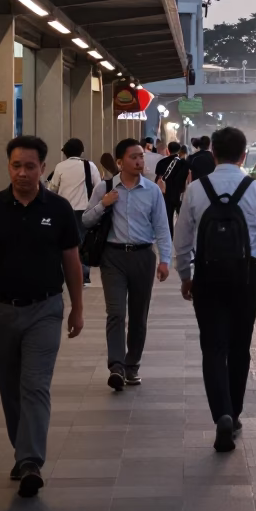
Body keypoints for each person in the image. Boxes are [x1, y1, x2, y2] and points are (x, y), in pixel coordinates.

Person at [0, 135, 83, 497]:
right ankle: (22, 451)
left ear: (43, 168)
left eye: (30, 166)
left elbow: (71, 261)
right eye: (16, 166)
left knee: (35, 386)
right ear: (8, 166)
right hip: (1, 311)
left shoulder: (57, 209)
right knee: (11, 389)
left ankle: (30, 461)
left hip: (45, 309)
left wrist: (77, 308)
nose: (22, 173)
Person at [174, 125, 256, 453]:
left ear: (213, 154)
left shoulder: (195, 190)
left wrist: (185, 276)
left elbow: (182, 242)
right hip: (246, 278)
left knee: (213, 348)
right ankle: (234, 414)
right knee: (239, 347)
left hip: (207, 277)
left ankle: (220, 412)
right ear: (244, 155)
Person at [82, 138, 172, 391]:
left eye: (141, 156)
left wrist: (165, 260)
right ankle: (116, 367)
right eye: (133, 157)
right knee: (116, 312)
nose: (139, 161)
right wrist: (104, 204)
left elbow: (162, 229)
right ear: (120, 162)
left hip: (143, 256)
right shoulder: (105, 187)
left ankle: (132, 365)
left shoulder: (153, 190)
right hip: (114, 257)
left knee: (138, 316)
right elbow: (86, 220)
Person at [46, 138, 101, 285]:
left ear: (65, 153)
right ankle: (83, 275)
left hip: (65, 210)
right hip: (85, 210)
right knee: (83, 243)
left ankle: (70, 274)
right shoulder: (90, 166)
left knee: (68, 243)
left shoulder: (60, 167)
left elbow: (53, 189)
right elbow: (98, 187)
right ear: (81, 151)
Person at [156, 141, 189, 237]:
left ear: (168, 150)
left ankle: (169, 238)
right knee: (183, 219)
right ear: (179, 150)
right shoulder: (184, 163)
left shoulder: (161, 162)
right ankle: (182, 238)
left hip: (166, 194)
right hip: (180, 194)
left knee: (168, 218)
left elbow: (158, 178)